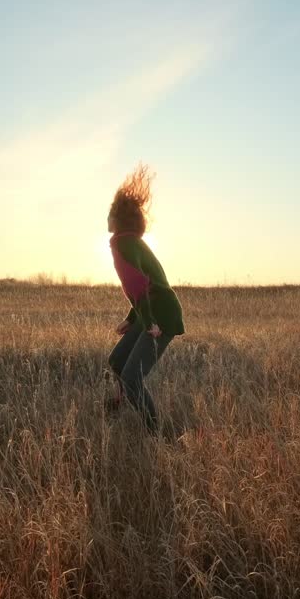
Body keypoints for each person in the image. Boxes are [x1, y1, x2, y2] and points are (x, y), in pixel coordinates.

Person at [105, 164, 185, 432]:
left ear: (117, 217)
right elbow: (144, 283)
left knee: (131, 378)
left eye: (110, 212)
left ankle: (155, 434)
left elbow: (139, 286)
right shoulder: (129, 242)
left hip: (161, 313)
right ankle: (117, 404)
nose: (106, 217)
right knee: (116, 362)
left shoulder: (122, 244)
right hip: (152, 308)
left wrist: (149, 322)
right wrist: (132, 318)